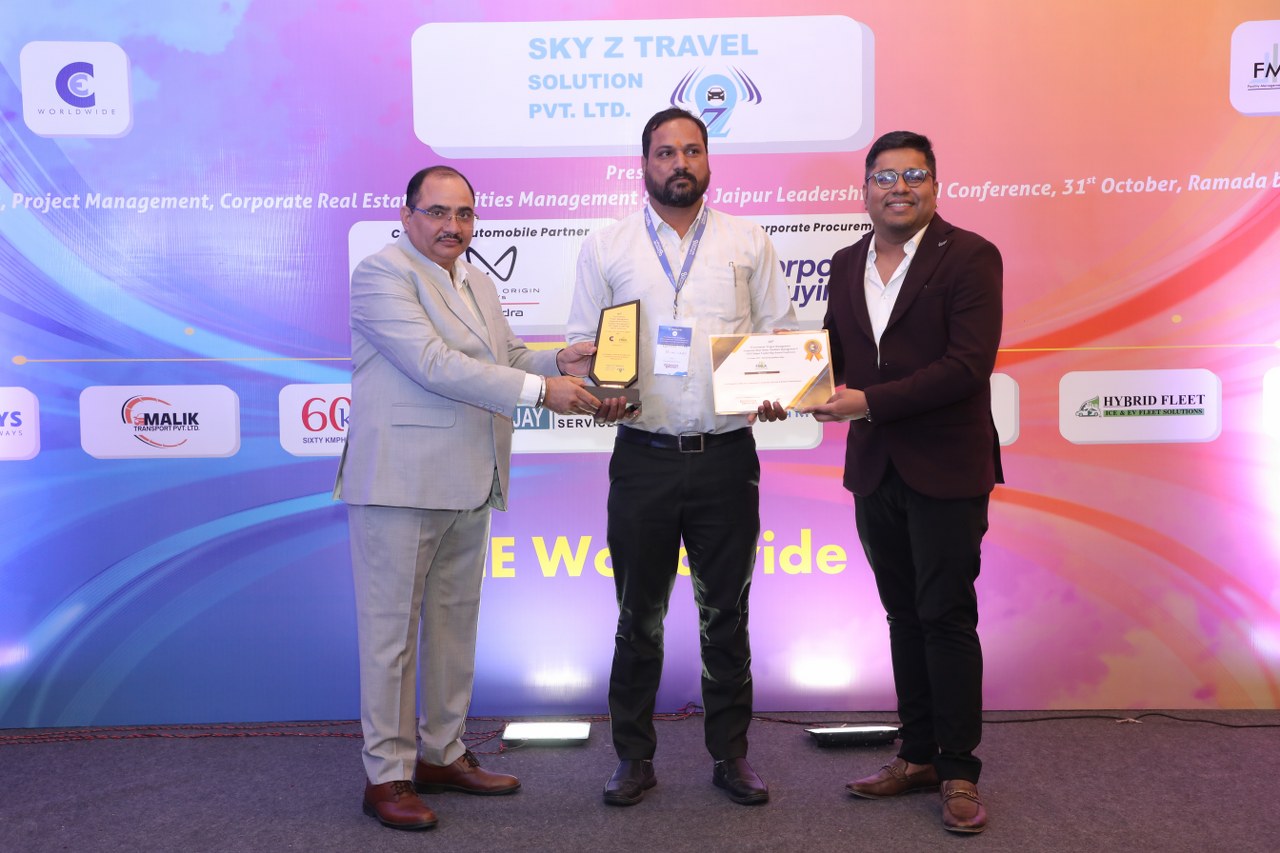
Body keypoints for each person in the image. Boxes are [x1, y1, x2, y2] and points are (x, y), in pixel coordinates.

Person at [334, 165, 604, 830]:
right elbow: (433, 363)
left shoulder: (476, 280)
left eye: (464, 214)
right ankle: (387, 775)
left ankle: (442, 753)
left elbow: (505, 356)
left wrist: (558, 362)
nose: (452, 226)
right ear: (406, 215)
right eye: (437, 212)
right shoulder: (381, 274)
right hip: (399, 482)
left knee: (454, 628)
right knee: (391, 637)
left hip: (470, 477)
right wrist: (541, 392)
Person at [567, 107, 797, 807]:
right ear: (644, 163)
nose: (679, 163)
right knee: (637, 616)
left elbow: (780, 337)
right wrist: (598, 389)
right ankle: (633, 757)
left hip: (726, 455)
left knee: (726, 614)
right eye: (665, 152)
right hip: (643, 456)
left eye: (691, 151)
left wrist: (778, 387)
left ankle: (731, 755)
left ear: (708, 160)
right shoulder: (606, 244)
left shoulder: (748, 241)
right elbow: (582, 347)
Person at [781, 130, 1002, 833]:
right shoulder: (847, 262)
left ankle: (959, 769)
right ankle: (917, 755)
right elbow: (830, 355)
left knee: (946, 615)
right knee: (903, 615)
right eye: (884, 176)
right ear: (866, 188)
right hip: (876, 469)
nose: (898, 187)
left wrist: (869, 402)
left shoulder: (970, 255)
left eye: (913, 175)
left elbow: (967, 366)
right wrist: (776, 386)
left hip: (946, 465)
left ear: (935, 185)